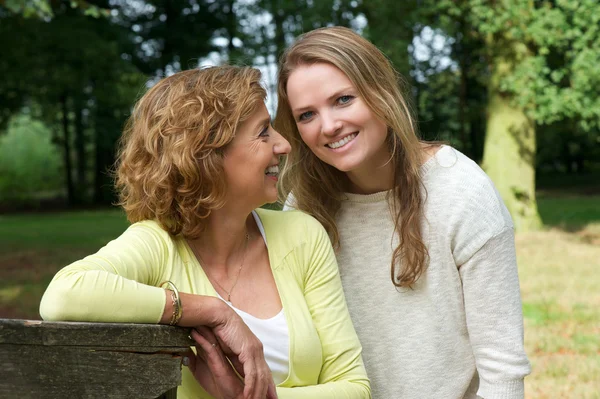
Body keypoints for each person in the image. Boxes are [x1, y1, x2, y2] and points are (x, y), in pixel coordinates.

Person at [39, 66, 370, 399]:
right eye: (263, 132)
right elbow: (63, 295)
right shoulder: (157, 244)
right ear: (206, 155)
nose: (284, 144)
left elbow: (355, 389)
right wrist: (213, 311)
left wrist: (246, 396)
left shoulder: (301, 234)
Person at [275, 26, 531, 398]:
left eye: (344, 99)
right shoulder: (303, 207)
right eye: (307, 115)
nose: (328, 126)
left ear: (381, 93)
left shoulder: (461, 192)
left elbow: (503, 373)